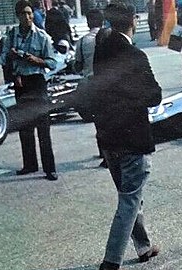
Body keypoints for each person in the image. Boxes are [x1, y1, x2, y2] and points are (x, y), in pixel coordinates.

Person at [92, 2, 162, 270]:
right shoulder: (135, 55)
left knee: (130, 196)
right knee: (130, 200)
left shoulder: (101, 52)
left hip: (108, 138)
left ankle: (143, 246)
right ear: (133, 20)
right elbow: (154, 95)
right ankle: (111, 262)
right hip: (133, 137)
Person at [1, 1, 58, 181]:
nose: (27, 17)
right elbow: (3, 58)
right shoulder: (11, 36)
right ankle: (30, 164)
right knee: (25, 126)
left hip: (37, 82)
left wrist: (35, 59)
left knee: (43, 127)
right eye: (23, 14)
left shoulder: (42, 36)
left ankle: (50, 168)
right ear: (17, 16)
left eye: (29, 13)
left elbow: (52, 63)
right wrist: (10, 56)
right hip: (20, 83)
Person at [74, 6, 107, 165]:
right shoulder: (110, 37)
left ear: (88, 23)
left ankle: (103, 152)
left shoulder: (82, 42)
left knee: (99, 121)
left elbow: (77, 67)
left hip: (91, 85)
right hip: (109, 83)